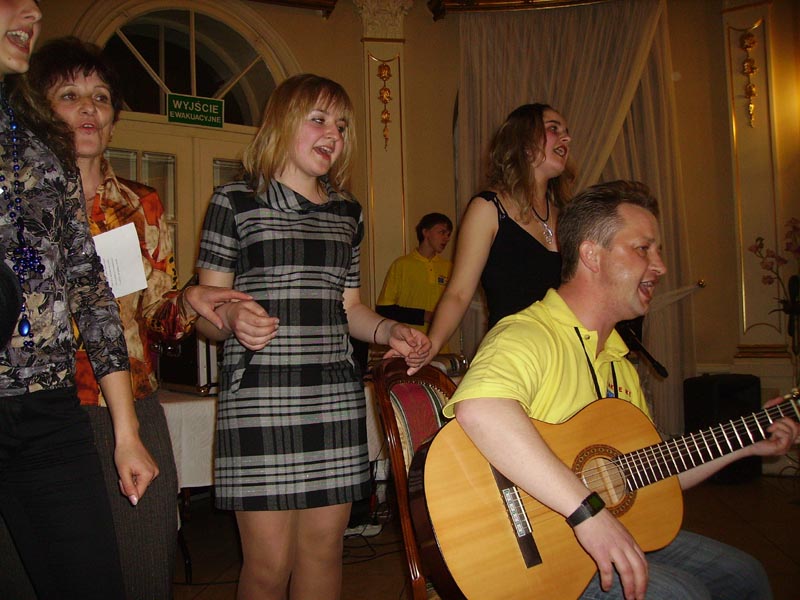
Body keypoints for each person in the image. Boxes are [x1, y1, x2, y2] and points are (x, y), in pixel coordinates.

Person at [444, 180, 800, 599]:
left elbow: (654, 471)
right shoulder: (528, 334)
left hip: (596, 531)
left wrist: (745, 443)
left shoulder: (619, 364)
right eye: (643, 249)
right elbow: (481, 409)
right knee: (683, 595)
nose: (660, 266)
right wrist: (588, 512)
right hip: (528, 559)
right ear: (592, 255)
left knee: (744, 576)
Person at [5, 36, 253, 599]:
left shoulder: (142, 206)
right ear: (39, 112)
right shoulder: (15, 205)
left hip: (131, 407)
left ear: (114, 121)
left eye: (101, 97)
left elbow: (155, 312)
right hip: (38, 413)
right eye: (70, 95)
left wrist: (188, 301)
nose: (89, 108)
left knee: (142, 571)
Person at [195, 73, 431, 599]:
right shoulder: (234, 201)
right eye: (319, 119)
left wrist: (390, 329)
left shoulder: (348, 211)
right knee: (268, 564)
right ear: (282, 122)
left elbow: (349, 308)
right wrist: (231, 319)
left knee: (324, 553)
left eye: (342, 126)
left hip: (331, 395)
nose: (334, 134)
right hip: (259, 398)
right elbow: (206, 315)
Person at [0, 2, 158, 598]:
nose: (33, 9)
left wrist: (126, 432)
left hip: (49, 409)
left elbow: (93, 291)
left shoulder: (43, 149)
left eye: (101, 99)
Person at [419, 103, 573, 363]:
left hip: (563, 358)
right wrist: (431, 345)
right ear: (524, 142)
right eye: (553, 129)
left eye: (566, 132)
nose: (566, 138)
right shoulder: (488, 208)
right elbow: (458, 293)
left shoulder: (568, 216)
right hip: (512, 358)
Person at [376, 212, 453, 338]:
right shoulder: (401, 265)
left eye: (448, 234)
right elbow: (384, 309)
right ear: (425, 232)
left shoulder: (449, 267)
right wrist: (424, 316)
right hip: (407, 341)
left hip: (439, 343)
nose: (446, 238)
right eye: (442, 232)